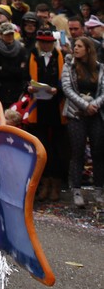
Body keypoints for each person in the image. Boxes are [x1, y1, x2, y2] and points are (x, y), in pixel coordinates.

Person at [60, 35, 104, 207]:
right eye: (75, 46)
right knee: (77, 152)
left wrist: (94, 105)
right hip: (76, 114)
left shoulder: (100, 68)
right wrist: (85, 105)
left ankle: (99, 189)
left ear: (88, 49)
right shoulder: (69, 66)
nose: (76, 48)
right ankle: (76, 190)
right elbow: (67, 88)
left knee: (98, 152)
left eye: (79, 46)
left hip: (96, 114)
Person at [25, 28, 65, 202]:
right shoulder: (32, 55)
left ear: (53, 43)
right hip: (38, 107)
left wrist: (58, 90)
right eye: (42, 42)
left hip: (56, 108)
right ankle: (44, 184)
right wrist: (29, 87)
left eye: (48, 42)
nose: (45, 45)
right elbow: (24, 78)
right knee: (41, 147)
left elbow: (66, 81)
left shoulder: (60, 56)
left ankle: (55, 185)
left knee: (56, 148)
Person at [0, 21, 29, 109]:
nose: (9, 37)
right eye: (7, 35)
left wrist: (5, 68)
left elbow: (23, 70)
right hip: (1, 89)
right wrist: (15, 69)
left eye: (11, 34)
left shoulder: (21, 49)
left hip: (17, 88)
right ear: (1, 35)